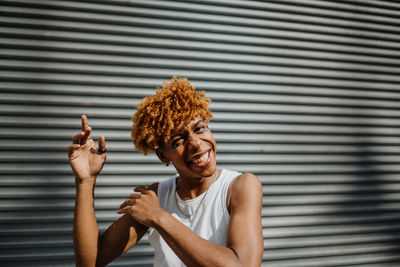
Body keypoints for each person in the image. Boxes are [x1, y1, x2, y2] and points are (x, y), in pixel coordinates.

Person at [68, 77, 263, 267]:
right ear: (163, 156)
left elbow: (243, 264)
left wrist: (159, 218)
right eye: (178, 141)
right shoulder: (157, 196)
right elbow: (89, 262)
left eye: (200, 129)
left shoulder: (240, 186)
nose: (196, 143)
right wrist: (85, 181)